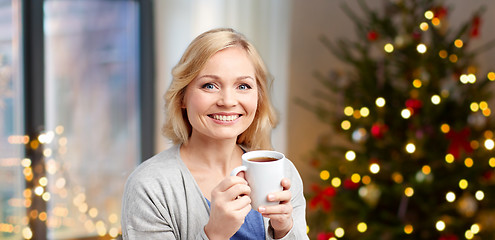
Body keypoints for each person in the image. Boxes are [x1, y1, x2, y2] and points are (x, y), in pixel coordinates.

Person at [121, 28, 308, 240]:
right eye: (209, 85)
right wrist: (215, 234)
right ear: (182, 97)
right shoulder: (150, 186)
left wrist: (285, 230)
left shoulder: (284, 173)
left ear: (258, 98)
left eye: (243, 86)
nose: (228, 101)